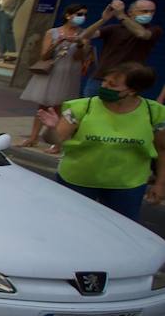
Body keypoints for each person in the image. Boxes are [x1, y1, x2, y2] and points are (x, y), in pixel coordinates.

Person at [38, 62, 165, 222]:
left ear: (133, 90)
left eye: (112, 85)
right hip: (78, 181)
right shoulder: (82, 107)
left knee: (120, 231)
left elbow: (162, 150)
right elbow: (55, 139)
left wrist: (160, 184)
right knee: (67, 224)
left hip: (126, 186)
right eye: (104, 81)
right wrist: (50, 128)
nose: (104, 86)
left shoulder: (155, 113)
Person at [19, 4, 91, 153]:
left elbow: (81, 58)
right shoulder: (52, 32)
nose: (81, 17)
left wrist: (79, 45)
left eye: (84, 14)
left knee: (62, 108)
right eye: (79, 14)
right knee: (43, 105)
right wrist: (59, 42)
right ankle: (33, 137)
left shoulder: (84, 34)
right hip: (53, 71)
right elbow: (44, 55)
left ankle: (57, 142)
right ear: (68, 15)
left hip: (70, 72)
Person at [78, 0, 160, 97]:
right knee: (89, 107)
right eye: (144, 11)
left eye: (152, 11)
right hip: (101, 78)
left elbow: (141, 34)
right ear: (130, 12)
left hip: (127, 82)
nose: (149, 14)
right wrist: (103, 20)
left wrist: (120, 15)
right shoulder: (114, 29)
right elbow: (85, 35)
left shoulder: (154, 30)